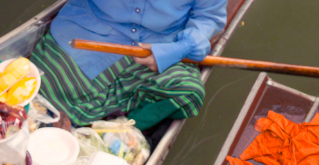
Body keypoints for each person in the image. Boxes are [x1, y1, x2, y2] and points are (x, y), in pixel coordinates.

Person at [30, 0, 227, 130]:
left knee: (188, 90)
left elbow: (208, 18)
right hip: (91, 27)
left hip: (160, 42)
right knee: (44, 81)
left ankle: (119, 132)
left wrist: (183, 46)